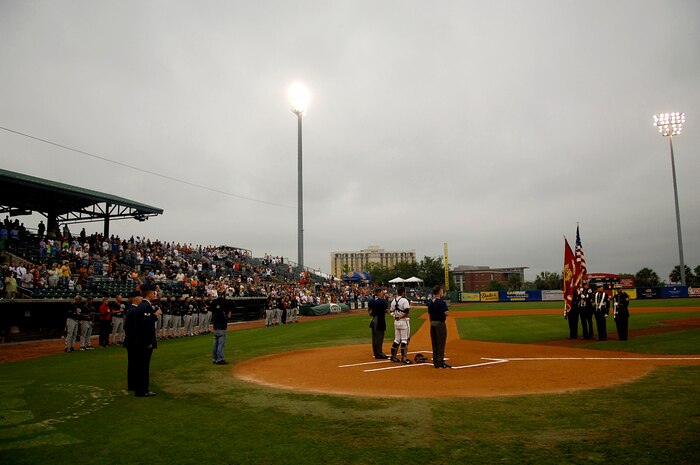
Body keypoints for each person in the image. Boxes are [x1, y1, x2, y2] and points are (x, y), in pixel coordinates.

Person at [125, 284, 161, 397]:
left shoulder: (142, 306)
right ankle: (142, 390)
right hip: (143, 342)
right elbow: (145, 325)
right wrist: (155, 316)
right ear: (150, 293)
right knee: (143, 367)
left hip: (139, 341)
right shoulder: (145, 306)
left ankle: (139, 388)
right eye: (153, 292)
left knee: (140, 366)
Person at [427, 285, 451, 368]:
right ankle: (440, 361)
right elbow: (446, 313)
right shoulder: (441, 302)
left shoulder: (430, 302)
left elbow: (429, 314)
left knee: (434, 342)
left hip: (432, 323)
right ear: (439, 292)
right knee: (440, 342)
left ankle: (435, 361)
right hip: (440, 323)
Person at [389, 287, 411, 363]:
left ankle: (393, 357)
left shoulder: (393, 301)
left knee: (397, 340)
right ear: (403, 293)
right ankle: (403, 358)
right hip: (404, 322)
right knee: (405, 340)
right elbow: (407, 312)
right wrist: (400, 316)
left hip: (396, 322)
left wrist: (395, 316)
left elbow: (391, 311)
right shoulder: (404, 300)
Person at [367, 288, 389, 359]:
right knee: (379, 337)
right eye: (381, 292)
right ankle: (379, 353)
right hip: (380, 320)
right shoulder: (383, 301)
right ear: (379, 293)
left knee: (374, 338)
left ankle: (376, 353)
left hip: (373, 320)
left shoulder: (371, 300)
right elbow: (387, 311)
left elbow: (369, 311)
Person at [211, 296, 229, 365]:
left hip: (215, 328)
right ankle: (219, 359)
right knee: (221, 345)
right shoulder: (221, 310)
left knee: (215, 345)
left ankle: (215, 359)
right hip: (221, 329)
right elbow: (225, 318)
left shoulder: (214, 310)